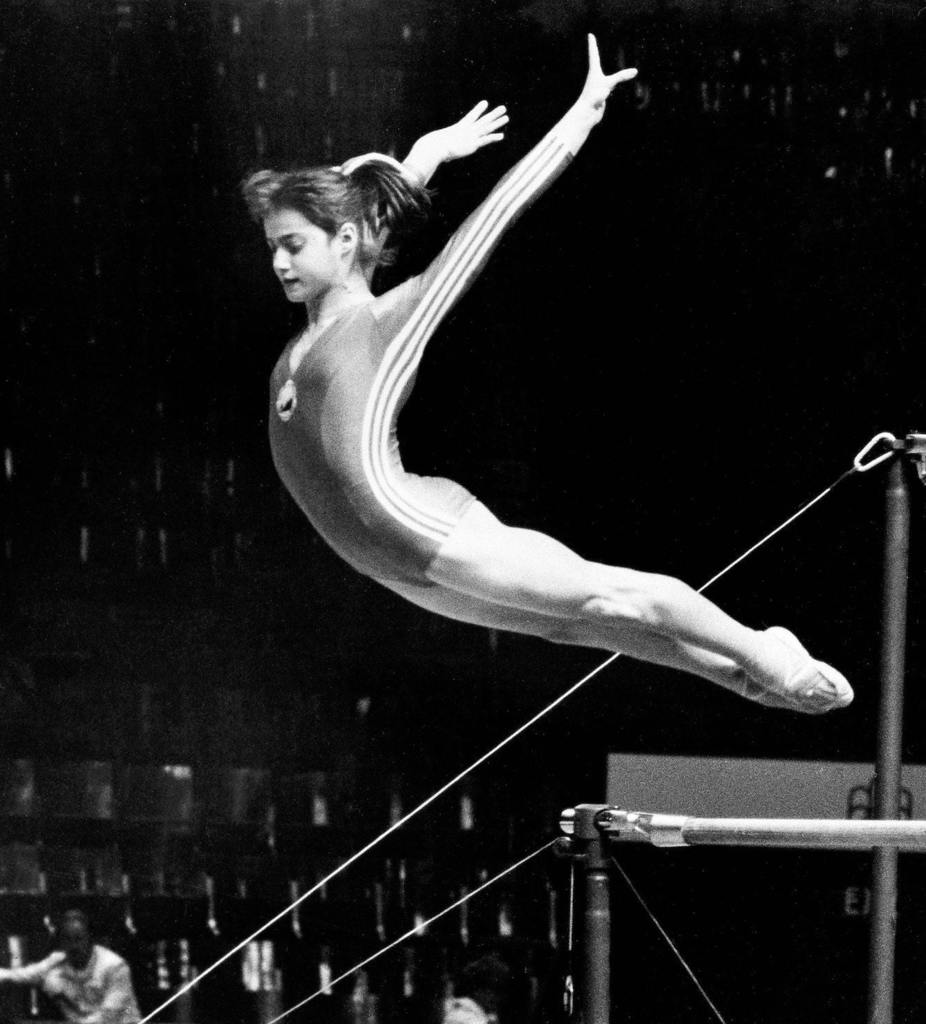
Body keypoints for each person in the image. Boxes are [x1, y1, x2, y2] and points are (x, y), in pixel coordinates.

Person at [242, 35, 853, 715]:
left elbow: (495, 213)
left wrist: (579, 119)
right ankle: (739, 677)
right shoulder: (318, 325)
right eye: (273, 246)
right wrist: (422, 160)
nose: (279, 262)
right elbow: (359, 212)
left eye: (293, 245)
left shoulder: (391, 321)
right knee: (569, 625)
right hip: (385, 562)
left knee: (607, 595)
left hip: (417, 527)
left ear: (345, 241)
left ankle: (764, 649)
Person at [0, 910, 140, 1024]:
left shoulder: (115, 967)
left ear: (90, 939)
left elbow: (108, 1017)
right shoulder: (55, 962)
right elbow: (19, 975)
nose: (73, 946)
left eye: (79, 939)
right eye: (67, 939)